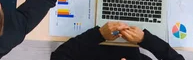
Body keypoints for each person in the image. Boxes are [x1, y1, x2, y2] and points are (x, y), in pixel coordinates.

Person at [51, 22, 184, 60]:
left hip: (96, 41)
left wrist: (98, 34)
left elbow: (59, 56)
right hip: (133, 40)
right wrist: (145, 39)